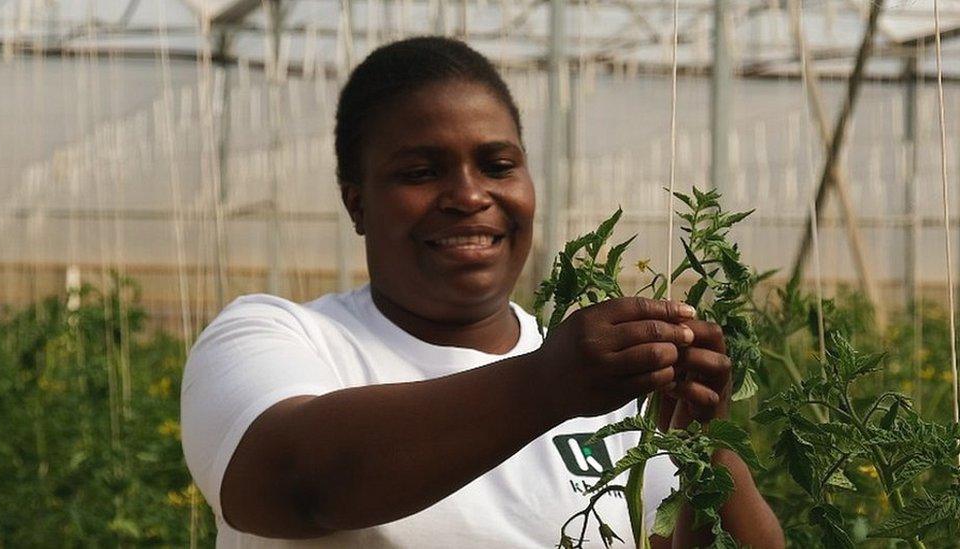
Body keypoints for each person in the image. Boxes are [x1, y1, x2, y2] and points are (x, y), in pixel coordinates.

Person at [181, 36, 784, 548]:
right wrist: (550, 382)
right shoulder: (275, 335)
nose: (469, 197)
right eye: (420, 173)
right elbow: (293, 483)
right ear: (356, 202)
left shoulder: (613, 375)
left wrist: (706, 445)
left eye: (498, 166)